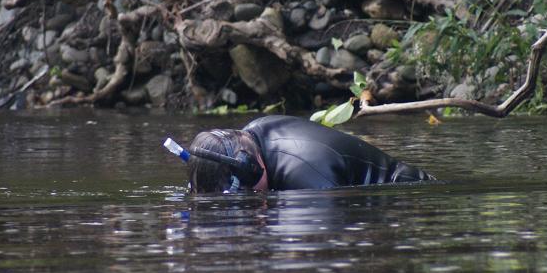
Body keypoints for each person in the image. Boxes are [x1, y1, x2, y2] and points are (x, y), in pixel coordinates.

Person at [173, 114, 436, 193]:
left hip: (412, 197)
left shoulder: (303, 171)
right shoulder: (251, 137)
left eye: (247, 197)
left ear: (251, 168)